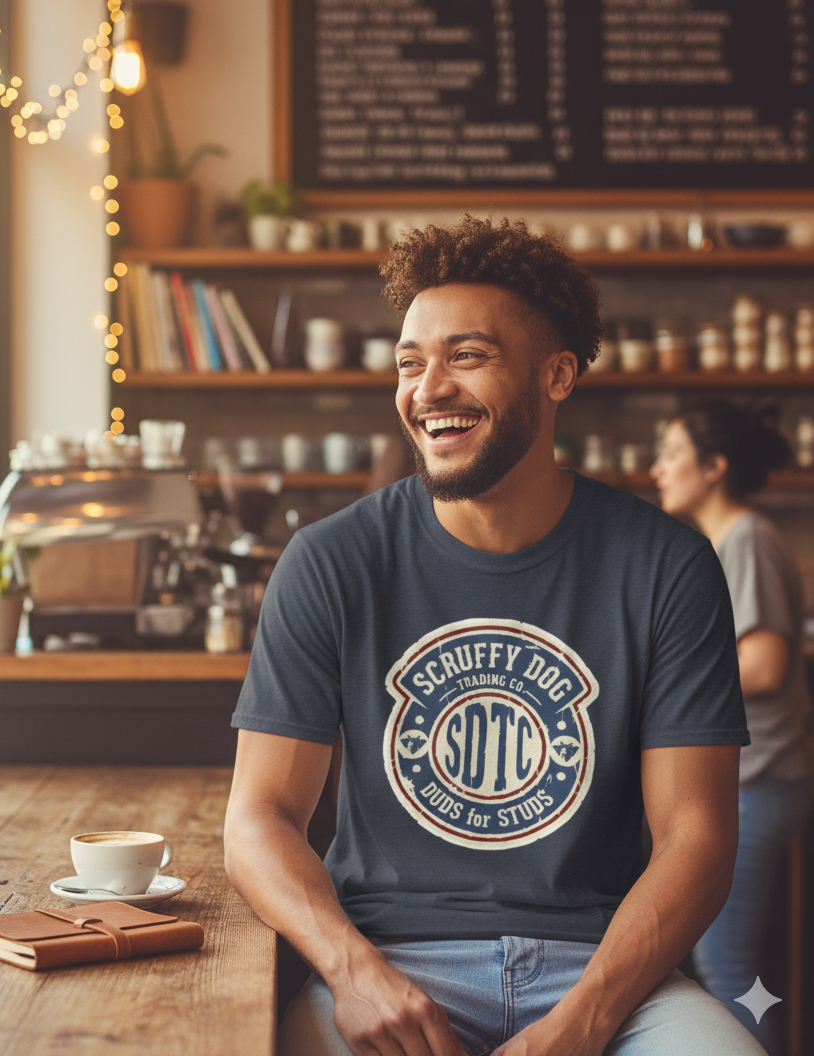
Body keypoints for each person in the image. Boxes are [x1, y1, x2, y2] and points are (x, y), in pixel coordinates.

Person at [224, 216, 764, 1056]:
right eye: (410, 362)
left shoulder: (666, 564)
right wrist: (354, 974)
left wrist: (583, 1019)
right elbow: (258, 818)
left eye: (466, 357)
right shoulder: (330, 561)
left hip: (610, 972)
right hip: (390, 962)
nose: (427, 388)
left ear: (557, 375)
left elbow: (698, 837)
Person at [651, 400, 814, 1055]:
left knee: (729, 975)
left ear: (714, 467)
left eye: (670, 453)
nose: (656, 468)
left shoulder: (744, 537)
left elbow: (767, 665)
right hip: (752, 779)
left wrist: (661, 683)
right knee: (727, 971)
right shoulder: (724, 541)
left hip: (759, 781)